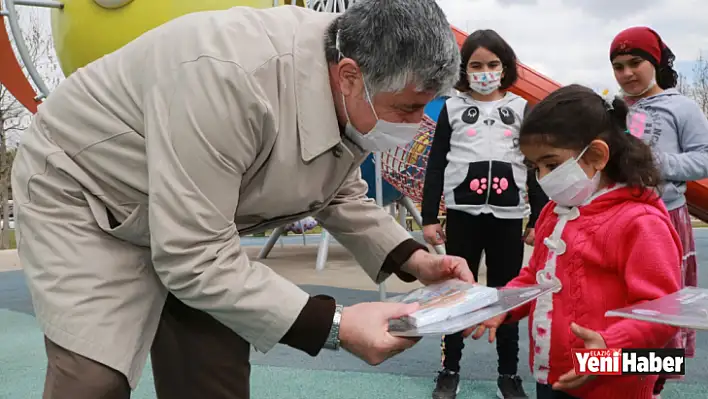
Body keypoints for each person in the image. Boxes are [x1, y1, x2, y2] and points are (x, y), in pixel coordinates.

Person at [11, 2, 474, 398]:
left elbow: (335, 186)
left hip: (194, 213)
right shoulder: (229, 80)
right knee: (93, 378)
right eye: (409, 108)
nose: (416, 124)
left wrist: (416, 260)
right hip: (86, 193)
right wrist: (336, 325)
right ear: (349, 76)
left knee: (214, 374)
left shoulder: (345, 70)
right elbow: (194, 257)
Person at [471, 84, 682, 399]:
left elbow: (660, 311)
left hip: (611, 381)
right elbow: (535, 277)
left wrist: (607, 350)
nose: (542, 178)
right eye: (536, 168)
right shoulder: (554, 214)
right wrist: (504, 304)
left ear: (597, 155)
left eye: (551, 165)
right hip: (555, 373)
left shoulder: (641, 223)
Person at [420, 29, 548, 399]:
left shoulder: (522, 109)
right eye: (476, 65)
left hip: (508, 217)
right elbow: (436, 164)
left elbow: (535, 165)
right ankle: (449, 369)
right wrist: (430, 217)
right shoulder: (452, 108)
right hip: (463, 215)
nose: (485, 71)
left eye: (493, 64)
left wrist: (537, 218)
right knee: (457, 293)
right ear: (465, 69)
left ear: (505, 67)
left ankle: (508, 374)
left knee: (506, 296)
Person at [609, 26, 708, 398]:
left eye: (635, 63)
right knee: (622, 304)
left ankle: (655, 386)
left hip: (666, 219)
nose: (626, 73)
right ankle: (622, 378)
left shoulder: (681, 106)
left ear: (655, 62)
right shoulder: (613, 108)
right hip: (618, 222)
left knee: (662, 306)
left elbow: (704, 157)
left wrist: (655, 163)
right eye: (618, 66)